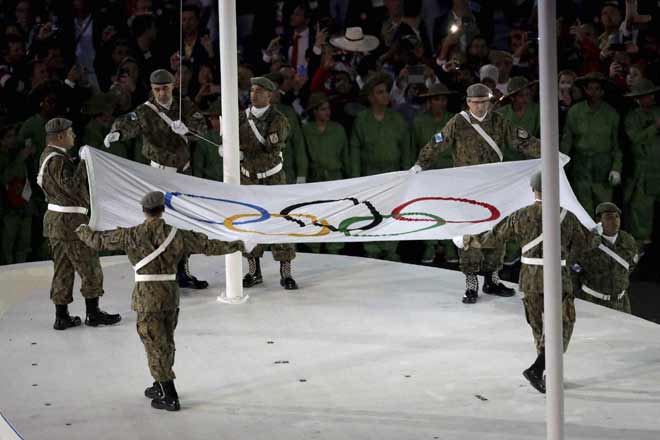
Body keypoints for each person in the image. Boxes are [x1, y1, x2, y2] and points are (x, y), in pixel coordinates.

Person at [76, 191, 251, 411]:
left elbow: (97, 241)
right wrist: (238, 244)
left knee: (154, 345)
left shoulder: (131, 235)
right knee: (166, 341)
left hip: (147, 297)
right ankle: (159, 384)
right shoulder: (177, 235)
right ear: (163, 209)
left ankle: (170, 395)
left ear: (143, 210)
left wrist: (81, 229)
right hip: (170, 295)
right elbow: (209, 246)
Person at [411, 83, 540, 304]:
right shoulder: (458, 123)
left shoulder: (499, 122)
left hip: (495, 187)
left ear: (489, 102)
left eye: (484, 102)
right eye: (476, 102)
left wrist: (547, 153)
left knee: (496, 231)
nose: (480, 107)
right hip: (468, 189)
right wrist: (420, 164)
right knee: (469, 233)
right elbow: (437, 143)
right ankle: (471, 282)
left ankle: (492, 278)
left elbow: (522, 141)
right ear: (468, 102)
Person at [470, 172, 595, 393]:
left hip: (529, 277)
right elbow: (587, 243)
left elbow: (494, 238)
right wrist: (596, 233)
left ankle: (543, 372)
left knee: (538, 326)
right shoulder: (567, 216)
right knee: (563, 324)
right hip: (557, 275)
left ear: (532, 189)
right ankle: (540, 370)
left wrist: (467, 240)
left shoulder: (520, 216)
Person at [104, 68, 208, 289]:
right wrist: (117, 132)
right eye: (157, 89)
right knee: (158, 222)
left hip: (183, 172)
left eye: (166, 88)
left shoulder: (184, 106)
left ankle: (183, 271)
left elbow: (201, 128)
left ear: (173, 86)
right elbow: (130, 122)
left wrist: (187, 130)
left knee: (183, 221)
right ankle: (161, 270)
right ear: (152, 89)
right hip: (158, 174)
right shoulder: (146, 111)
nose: (162, 93)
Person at [38, 117, 121, 330]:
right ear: (60, 137)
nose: (73, 135)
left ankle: (62, 316)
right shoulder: (57, 160)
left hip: (57, 222)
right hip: (71, 223)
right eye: (70, 132)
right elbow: (72, 188)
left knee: (63, 269)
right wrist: (84, 164)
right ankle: (92, 313)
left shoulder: (48, 157)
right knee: (90, 266)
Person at [238, 76, 298, 290]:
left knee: (280, 223)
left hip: (272, 179)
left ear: (270, 95)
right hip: (248, 179)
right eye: (252, 90)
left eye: (260, 91)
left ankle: (286, 273)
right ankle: (254, 272)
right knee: (250, 225)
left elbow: (272, 153)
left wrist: (243, 157)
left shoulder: (278, 120)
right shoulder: (240, 118)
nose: (254, 94)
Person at [350, 72, 411, 261]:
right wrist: (357, 178)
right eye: (380, 92)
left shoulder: (397, 119)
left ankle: (391, 248)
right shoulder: (361, 120)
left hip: (393, 173)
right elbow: (355, 150)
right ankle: (372, 248)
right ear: (370, 98)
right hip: (371, 174)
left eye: (386, 91)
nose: (386, 95)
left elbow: (406, 148)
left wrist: (408, 174)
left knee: (392, 212)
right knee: (370, 212)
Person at [560, 72, 622, 216]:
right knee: (582, 209)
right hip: (581, 166)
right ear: (585, 90)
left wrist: (616, 168)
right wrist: (561, 165)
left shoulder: (611, 114)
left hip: (603, 167)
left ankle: (604, 238)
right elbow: (567, 141)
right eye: (590, 89)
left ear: (603, 91)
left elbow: (617, 146)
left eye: (597, 89)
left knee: (605, 209)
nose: (593, 93)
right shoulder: (575, 112)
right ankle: (586, 238)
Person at [411, 83, 457, 265]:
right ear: (429, 101)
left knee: (450, 208)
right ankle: (430, 243)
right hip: (427, 172)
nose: (442, 103)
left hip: (449, 171)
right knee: (428, 210)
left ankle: (450, 244)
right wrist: (413, 170)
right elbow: (412, 147)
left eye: (444, 99)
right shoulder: (419, 121)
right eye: (437, 99)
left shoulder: (453, 120)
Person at [301, 91, 351, 254]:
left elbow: (346, 156)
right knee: (314, 216)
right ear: (314, 111)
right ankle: (314, 247)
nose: (327, 112)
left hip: (335, 178)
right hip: (315, 179)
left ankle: (333, 248)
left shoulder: (338, 129)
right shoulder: (306, 130)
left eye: (328, 108)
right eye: (323, 109)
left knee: (335, 215)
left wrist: (350, 179)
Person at [575, 202, 639, 313]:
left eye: (617, 217)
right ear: (598, 220)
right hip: (593, 302)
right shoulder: (587, 241)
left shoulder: (628, 239)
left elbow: (631, 265)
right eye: (609, 217)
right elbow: (574, 270)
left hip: (621, 303)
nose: (615, 221)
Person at [623, 79, 660, 249]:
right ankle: (640, 244)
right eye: (644, 96)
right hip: (643, 170)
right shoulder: (632, 117)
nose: (649, 98)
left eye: (650, 95)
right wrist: (655, 127)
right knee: (641, 208)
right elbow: (635, 139)